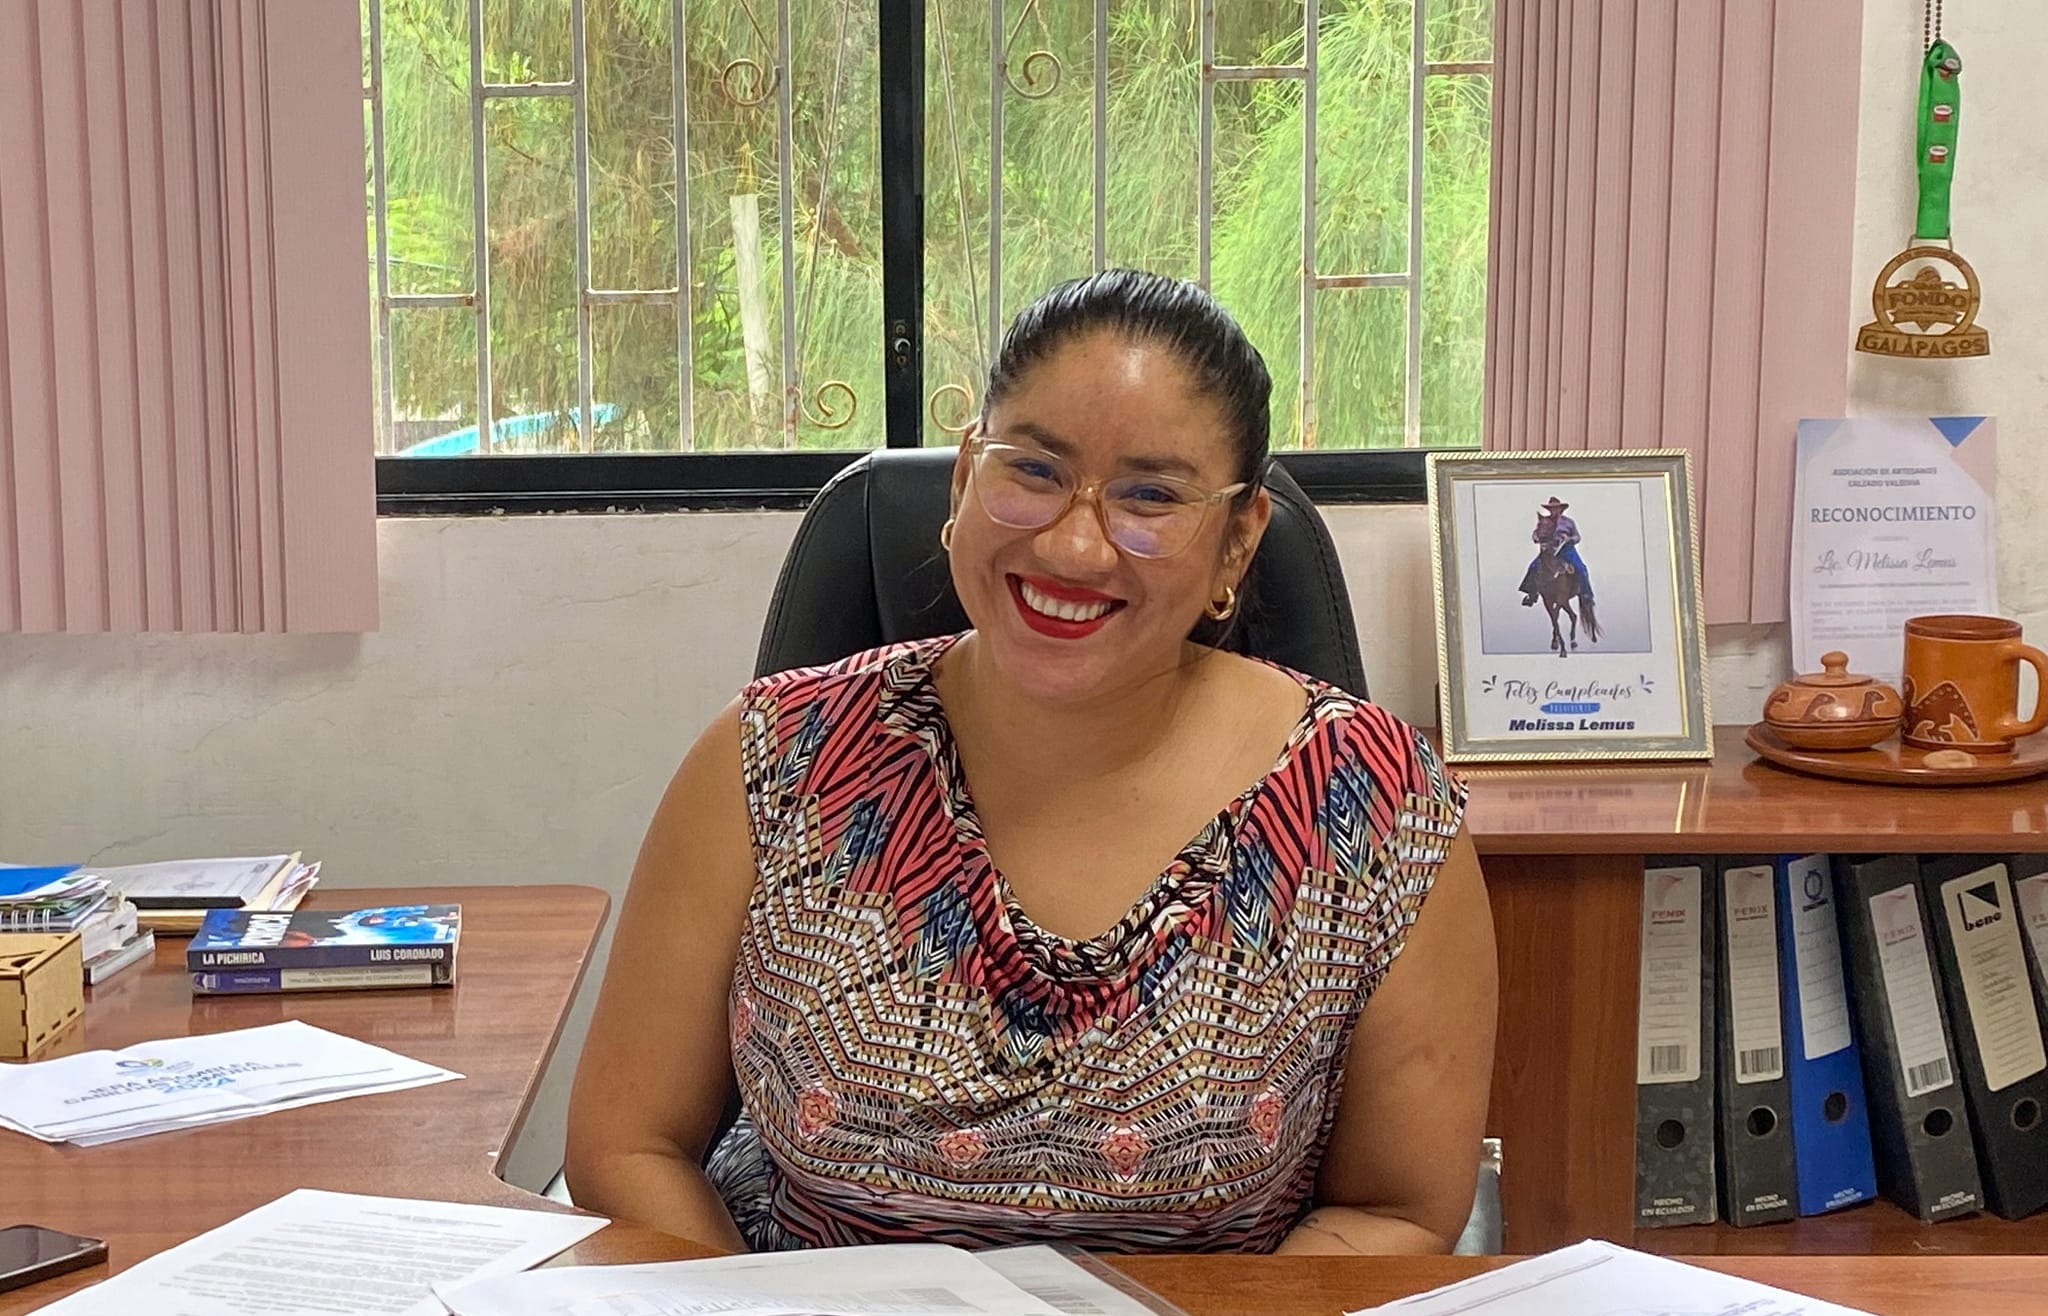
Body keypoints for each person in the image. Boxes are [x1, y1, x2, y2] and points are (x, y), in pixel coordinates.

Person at [565, 269, 1497, 1257]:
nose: (1076, 545)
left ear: (1237, 541)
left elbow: (1394, 1211)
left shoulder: (1374, 806)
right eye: (1035, 471)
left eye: (1151, 496)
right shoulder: (772, 758)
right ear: (966, 478)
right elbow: (629, 1145)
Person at [1518, 495, 1594, 606]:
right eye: (1552, 508)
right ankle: (1532, 594)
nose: (1554, 510)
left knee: (1581, 568)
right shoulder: (1544, 521)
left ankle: (1586, 595)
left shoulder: (1568, 522)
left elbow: (1577, 537)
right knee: (1533, 566)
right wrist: (1536, 537)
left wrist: (1569, 539)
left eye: (1556, 508)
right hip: (1550, 550)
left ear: (1560, 509)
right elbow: (1536, 533)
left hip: (1566, 549)